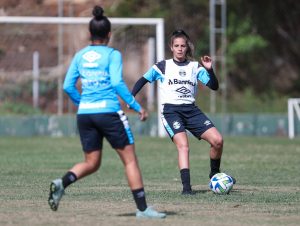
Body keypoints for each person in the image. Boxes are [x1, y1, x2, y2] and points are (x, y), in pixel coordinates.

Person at [48, 5, 166, 219]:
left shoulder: (80, 55)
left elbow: (67, 86)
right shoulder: (112, 54)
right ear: (109, 34)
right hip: (109, 112)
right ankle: (142, 209)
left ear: (90, 34)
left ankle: (62, 183)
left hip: (85, 114)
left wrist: (82, 101)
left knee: (92, 162)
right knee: (130, 160)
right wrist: (136, 105)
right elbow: (116, 83)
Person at [131, 29, 236, 195]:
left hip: (192, 110)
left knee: (217, 140)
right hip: (171, 112)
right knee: (184, 146)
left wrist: (209, 69)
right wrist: (131, 99)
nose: (180, 48)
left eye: (183, 46)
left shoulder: (195, 67)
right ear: (171, 47)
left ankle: (214, 174)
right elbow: (142, 80)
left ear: (187, 48)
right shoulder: (162, 66)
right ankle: (187, 188)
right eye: (176, 46)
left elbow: (214, 86)